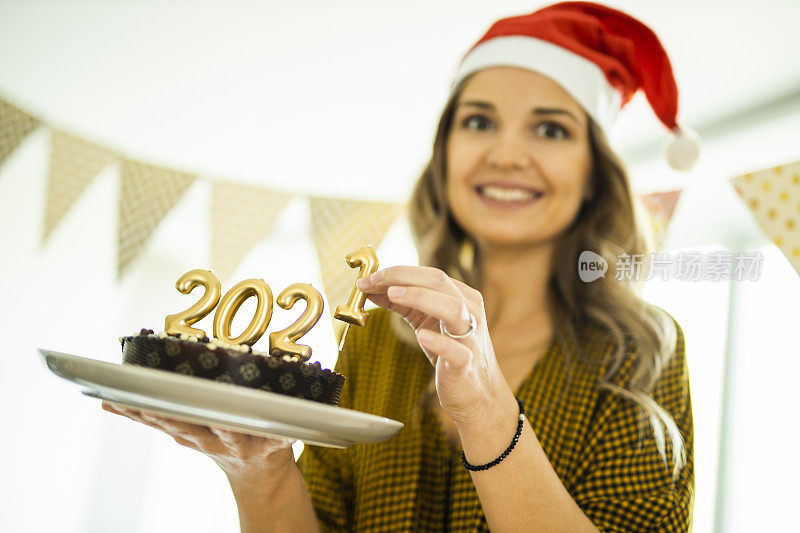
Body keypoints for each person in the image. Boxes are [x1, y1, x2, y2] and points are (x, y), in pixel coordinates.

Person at [102, 2, 696, 531]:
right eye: (479, 121)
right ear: (444, 160)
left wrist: (487, 412)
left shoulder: (644, 350)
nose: (507, 154)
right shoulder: (376, 344)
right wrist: (261, 472)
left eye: (550, 128)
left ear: (594, 172)